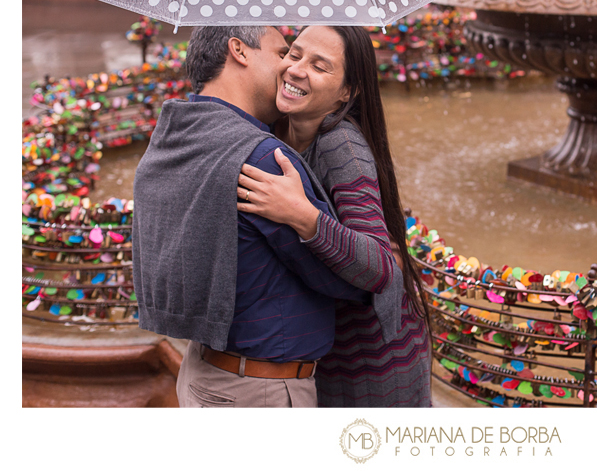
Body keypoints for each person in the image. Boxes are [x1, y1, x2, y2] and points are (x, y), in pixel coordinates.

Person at [132, 25, 386, 408]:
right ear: (239, 50)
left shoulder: (177, 129)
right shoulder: (263, 160)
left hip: (202, 370)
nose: (288, 67)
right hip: (257, 389)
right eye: (284, 52)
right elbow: (350, 282)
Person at [235, 25, 432, 407]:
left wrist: (302, 215)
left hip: (371, 361)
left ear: (347, 91)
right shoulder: (279, 128)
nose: (295, 70)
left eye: (319, 66)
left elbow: (380, 266)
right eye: (294, 55)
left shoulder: (340, 144)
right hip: (318, 351)